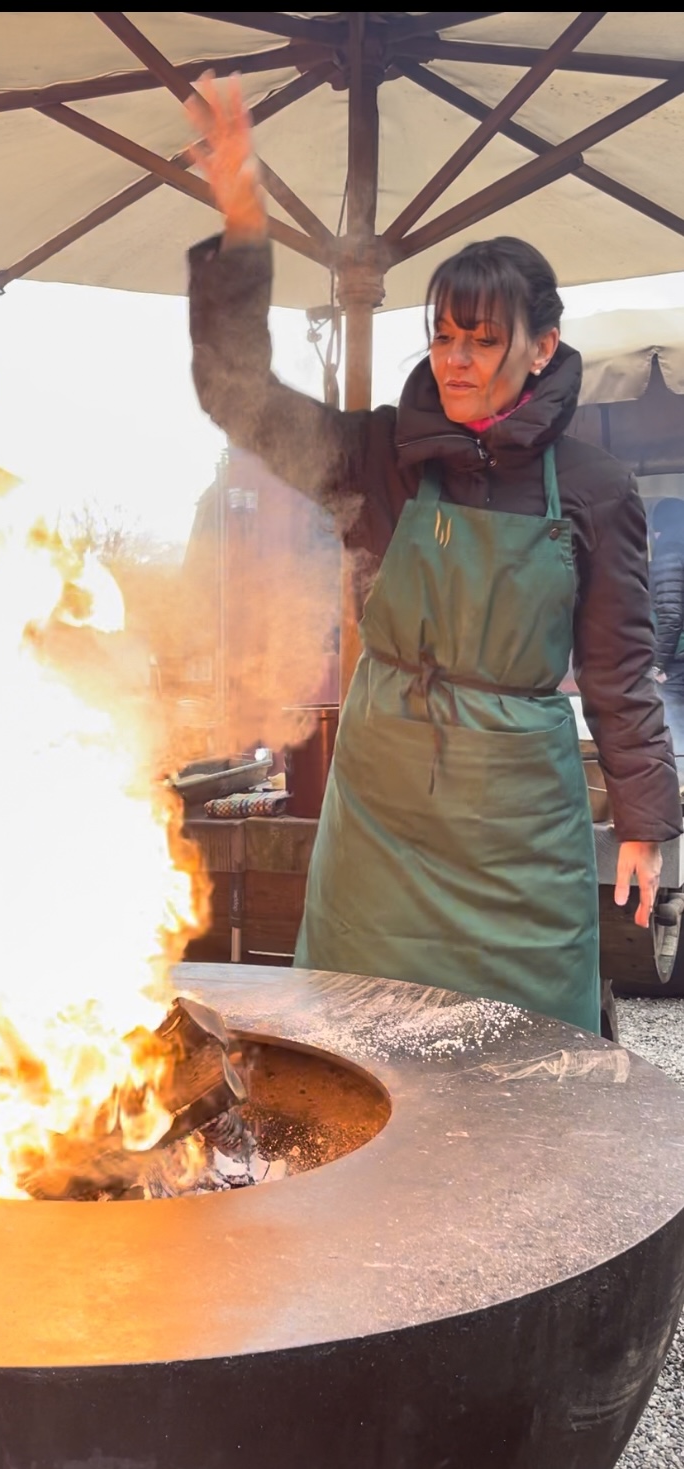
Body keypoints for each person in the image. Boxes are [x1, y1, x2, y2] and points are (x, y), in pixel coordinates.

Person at [185, 78, 682, 1035]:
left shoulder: (593, 488)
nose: (454, 358)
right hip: (382, 822)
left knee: (531, 1060)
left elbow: (621, 668)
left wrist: (646, 821)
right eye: (443, 336)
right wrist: (242, 219)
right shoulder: (376, 457)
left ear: (543, 348)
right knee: (361, 1053)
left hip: (519, 830)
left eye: (482, 339)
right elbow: (234, 392)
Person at [649, 497, 684, 767]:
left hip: (677, 663)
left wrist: (658, 663)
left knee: (676, 731)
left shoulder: (670, 550)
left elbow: (671, 615)